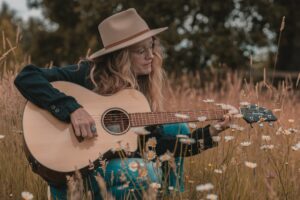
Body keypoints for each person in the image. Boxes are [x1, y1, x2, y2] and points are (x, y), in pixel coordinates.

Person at [14, 8, 231, 200]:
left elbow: (159, 146)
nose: (151, 56)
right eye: (141, 51)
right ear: (121, 57)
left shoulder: (137, 95)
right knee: (145, 172)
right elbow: (27, 77)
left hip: (111, 170)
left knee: (179, 129)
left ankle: (173, 196)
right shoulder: (87, 75)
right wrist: (73, 109)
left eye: (152, 47)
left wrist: (211, 132)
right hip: (76, 175)